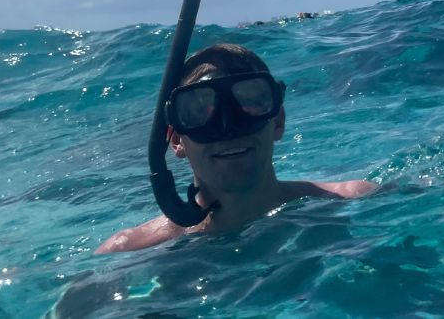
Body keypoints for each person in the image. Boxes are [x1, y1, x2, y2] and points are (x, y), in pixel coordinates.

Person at [96, 44, 377, 254]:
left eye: (250, 102)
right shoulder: (130, 252)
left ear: (277, 121)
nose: (228, 127)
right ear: (176, 140)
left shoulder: (354, 202)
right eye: (199, 111)